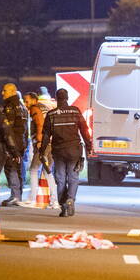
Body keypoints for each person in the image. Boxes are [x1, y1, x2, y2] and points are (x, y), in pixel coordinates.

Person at [39, 88, 93, 217]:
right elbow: (84, 130)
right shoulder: (75, 111)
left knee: (60, 178)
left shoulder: (51, 114)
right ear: (67, 98)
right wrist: (89, 146)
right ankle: (70, 199)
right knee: (73, 177)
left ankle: (63, 205)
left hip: (59, 151)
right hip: (74, 150)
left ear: (57, 99)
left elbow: (46, 135)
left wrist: (42, 151)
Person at [23, 91, 58, 209]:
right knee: (47, 171)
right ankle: (54, 200)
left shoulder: (35, 108)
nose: (25, 103)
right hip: (52, 143)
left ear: (34, 100)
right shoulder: (46, 107)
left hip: (43, 143)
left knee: (33, 169)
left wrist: (39, 141)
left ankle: (31, 199)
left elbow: (40, 124)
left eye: (26, 101)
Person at [0, 83, 29, 206]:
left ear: (12, 91)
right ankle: (18, 195)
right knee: (17, 168)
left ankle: (15, 195)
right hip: (21, 142)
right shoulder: (22, 106)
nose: (2, 93)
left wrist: (7, 144)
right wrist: (25, 143)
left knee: (11, 167)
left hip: (12, 142)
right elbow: (26, 128)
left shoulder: (10, 106)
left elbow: (8, 128)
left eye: (5, 90)